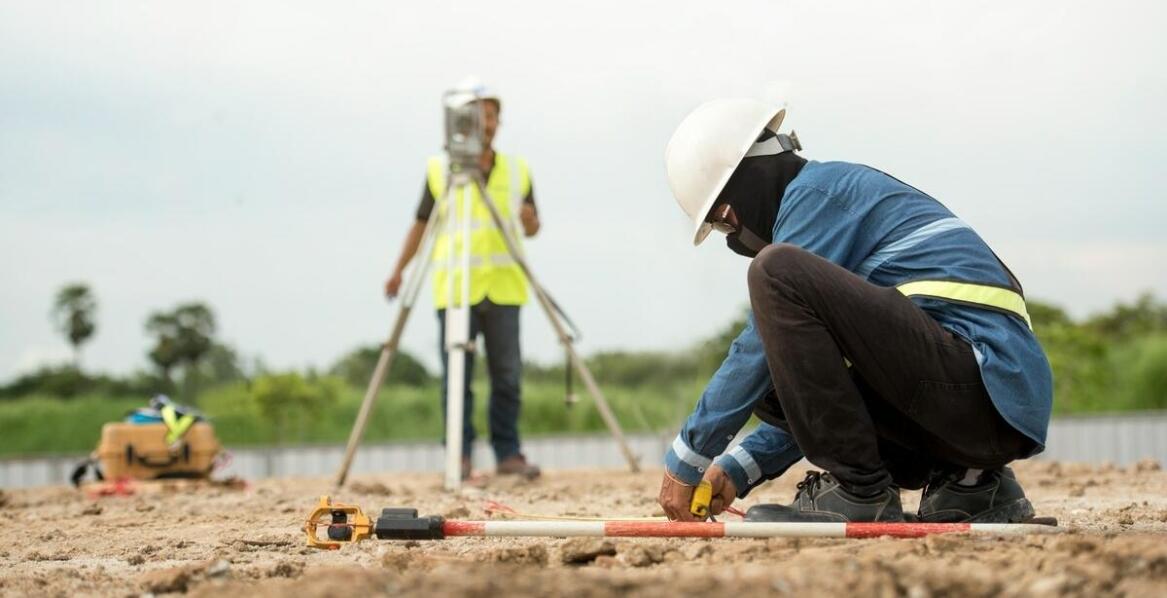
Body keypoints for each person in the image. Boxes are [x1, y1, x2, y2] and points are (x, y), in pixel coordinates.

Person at [657, 99, 1053, 523]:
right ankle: (972, 484)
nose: (732, 237)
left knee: (774, 273)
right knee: (777, 370)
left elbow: (753, 352)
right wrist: (737, 468)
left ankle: (861, 493)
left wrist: (687, 458)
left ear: (733, 202)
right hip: (984, 401)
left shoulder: (817, 196)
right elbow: (818, 386)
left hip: (981, 384)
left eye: (723, 223)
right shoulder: (838, 195)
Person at [385, 77, 541, 480]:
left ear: (498, 121)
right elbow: (422, 223)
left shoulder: (518, 169)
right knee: (457, 376)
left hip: (505, 288)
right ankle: (460, 454)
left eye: (490, 115)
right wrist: (399, 269)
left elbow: (532, 225)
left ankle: (508, 453)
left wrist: (530, 221)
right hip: (456, 288)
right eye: (476, 114)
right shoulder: (441, 169)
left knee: (507, 376)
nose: (483, 123)